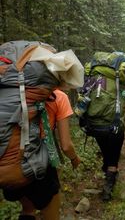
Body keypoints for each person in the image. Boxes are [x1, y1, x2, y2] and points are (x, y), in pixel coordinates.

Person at [3, 89, 80, 220]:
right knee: (51, 214)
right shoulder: (58, 97)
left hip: (10, 161)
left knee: (27, 209)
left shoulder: (10, 93)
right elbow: (66, 146)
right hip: (40, 165)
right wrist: (75, 159)